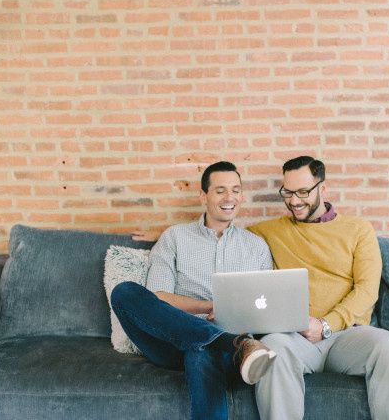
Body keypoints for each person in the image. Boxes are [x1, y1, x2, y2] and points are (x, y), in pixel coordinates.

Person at [247, 156, 389, 420]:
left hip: (347, 336)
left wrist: (326, 324)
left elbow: (367, 289)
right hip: (293, 338)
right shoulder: (266, 232)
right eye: (287, 192)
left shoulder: (358, 230)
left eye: (303, 192)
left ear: (322, 189)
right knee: (270, 351)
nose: (293, 200)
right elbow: (230, 246)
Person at [110, 161, 276, 420]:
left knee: (200, 351)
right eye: (220, 190)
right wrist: (209, 306)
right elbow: (159, 298)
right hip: (171, 340)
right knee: (124, 293)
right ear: (203, 196)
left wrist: (235, 316)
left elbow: (264, 305)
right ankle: (230, 342)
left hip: (228, 353)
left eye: (235, 190)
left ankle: (224, 342)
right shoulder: (175, 237)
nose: (229, 197)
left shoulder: (256, 247)